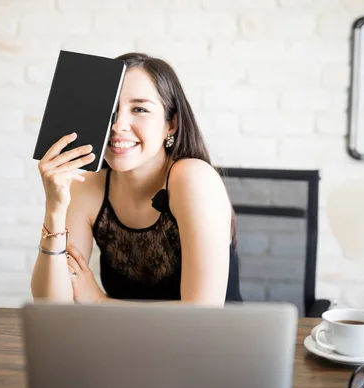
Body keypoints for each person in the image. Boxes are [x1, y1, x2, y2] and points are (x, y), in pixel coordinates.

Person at [31, 52, 243, 306]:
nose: (118, 125)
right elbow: (52, 306)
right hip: (124, 343)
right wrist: (54, 208)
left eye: (139, 109)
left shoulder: (193, 179)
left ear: (171, 124)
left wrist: (100, 303)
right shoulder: (89, 187)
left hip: (207, 344)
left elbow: (200, 315)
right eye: (109, 111)